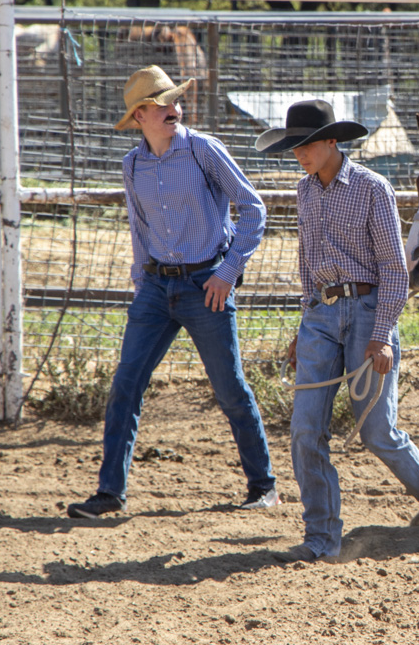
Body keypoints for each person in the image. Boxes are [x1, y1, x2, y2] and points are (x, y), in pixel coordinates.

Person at [256, 99, 419, 563]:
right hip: (320, 316)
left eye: (306, 145)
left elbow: (395, 269)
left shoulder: (374, 189)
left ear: (332, 141)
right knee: (304, 429)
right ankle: (321, 540)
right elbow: (306, 263)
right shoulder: (304, 191)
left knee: (378, 432)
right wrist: (303, 323)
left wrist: (382, 333)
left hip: (369, 312)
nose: (300, 154)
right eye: (295, 147)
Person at [67, 65, 276, 519]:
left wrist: (228, 271)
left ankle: (263, 485)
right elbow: (139, 229)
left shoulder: (203, 150)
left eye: (176, 102)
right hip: (156, 288)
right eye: (164, 105)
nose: (175, 110)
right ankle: (110, 492)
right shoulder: (133, 165)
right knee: (126, 384)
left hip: (207, 286)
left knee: (230, 389)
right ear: (141, 115)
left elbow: (254, 209)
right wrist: (144, 286)